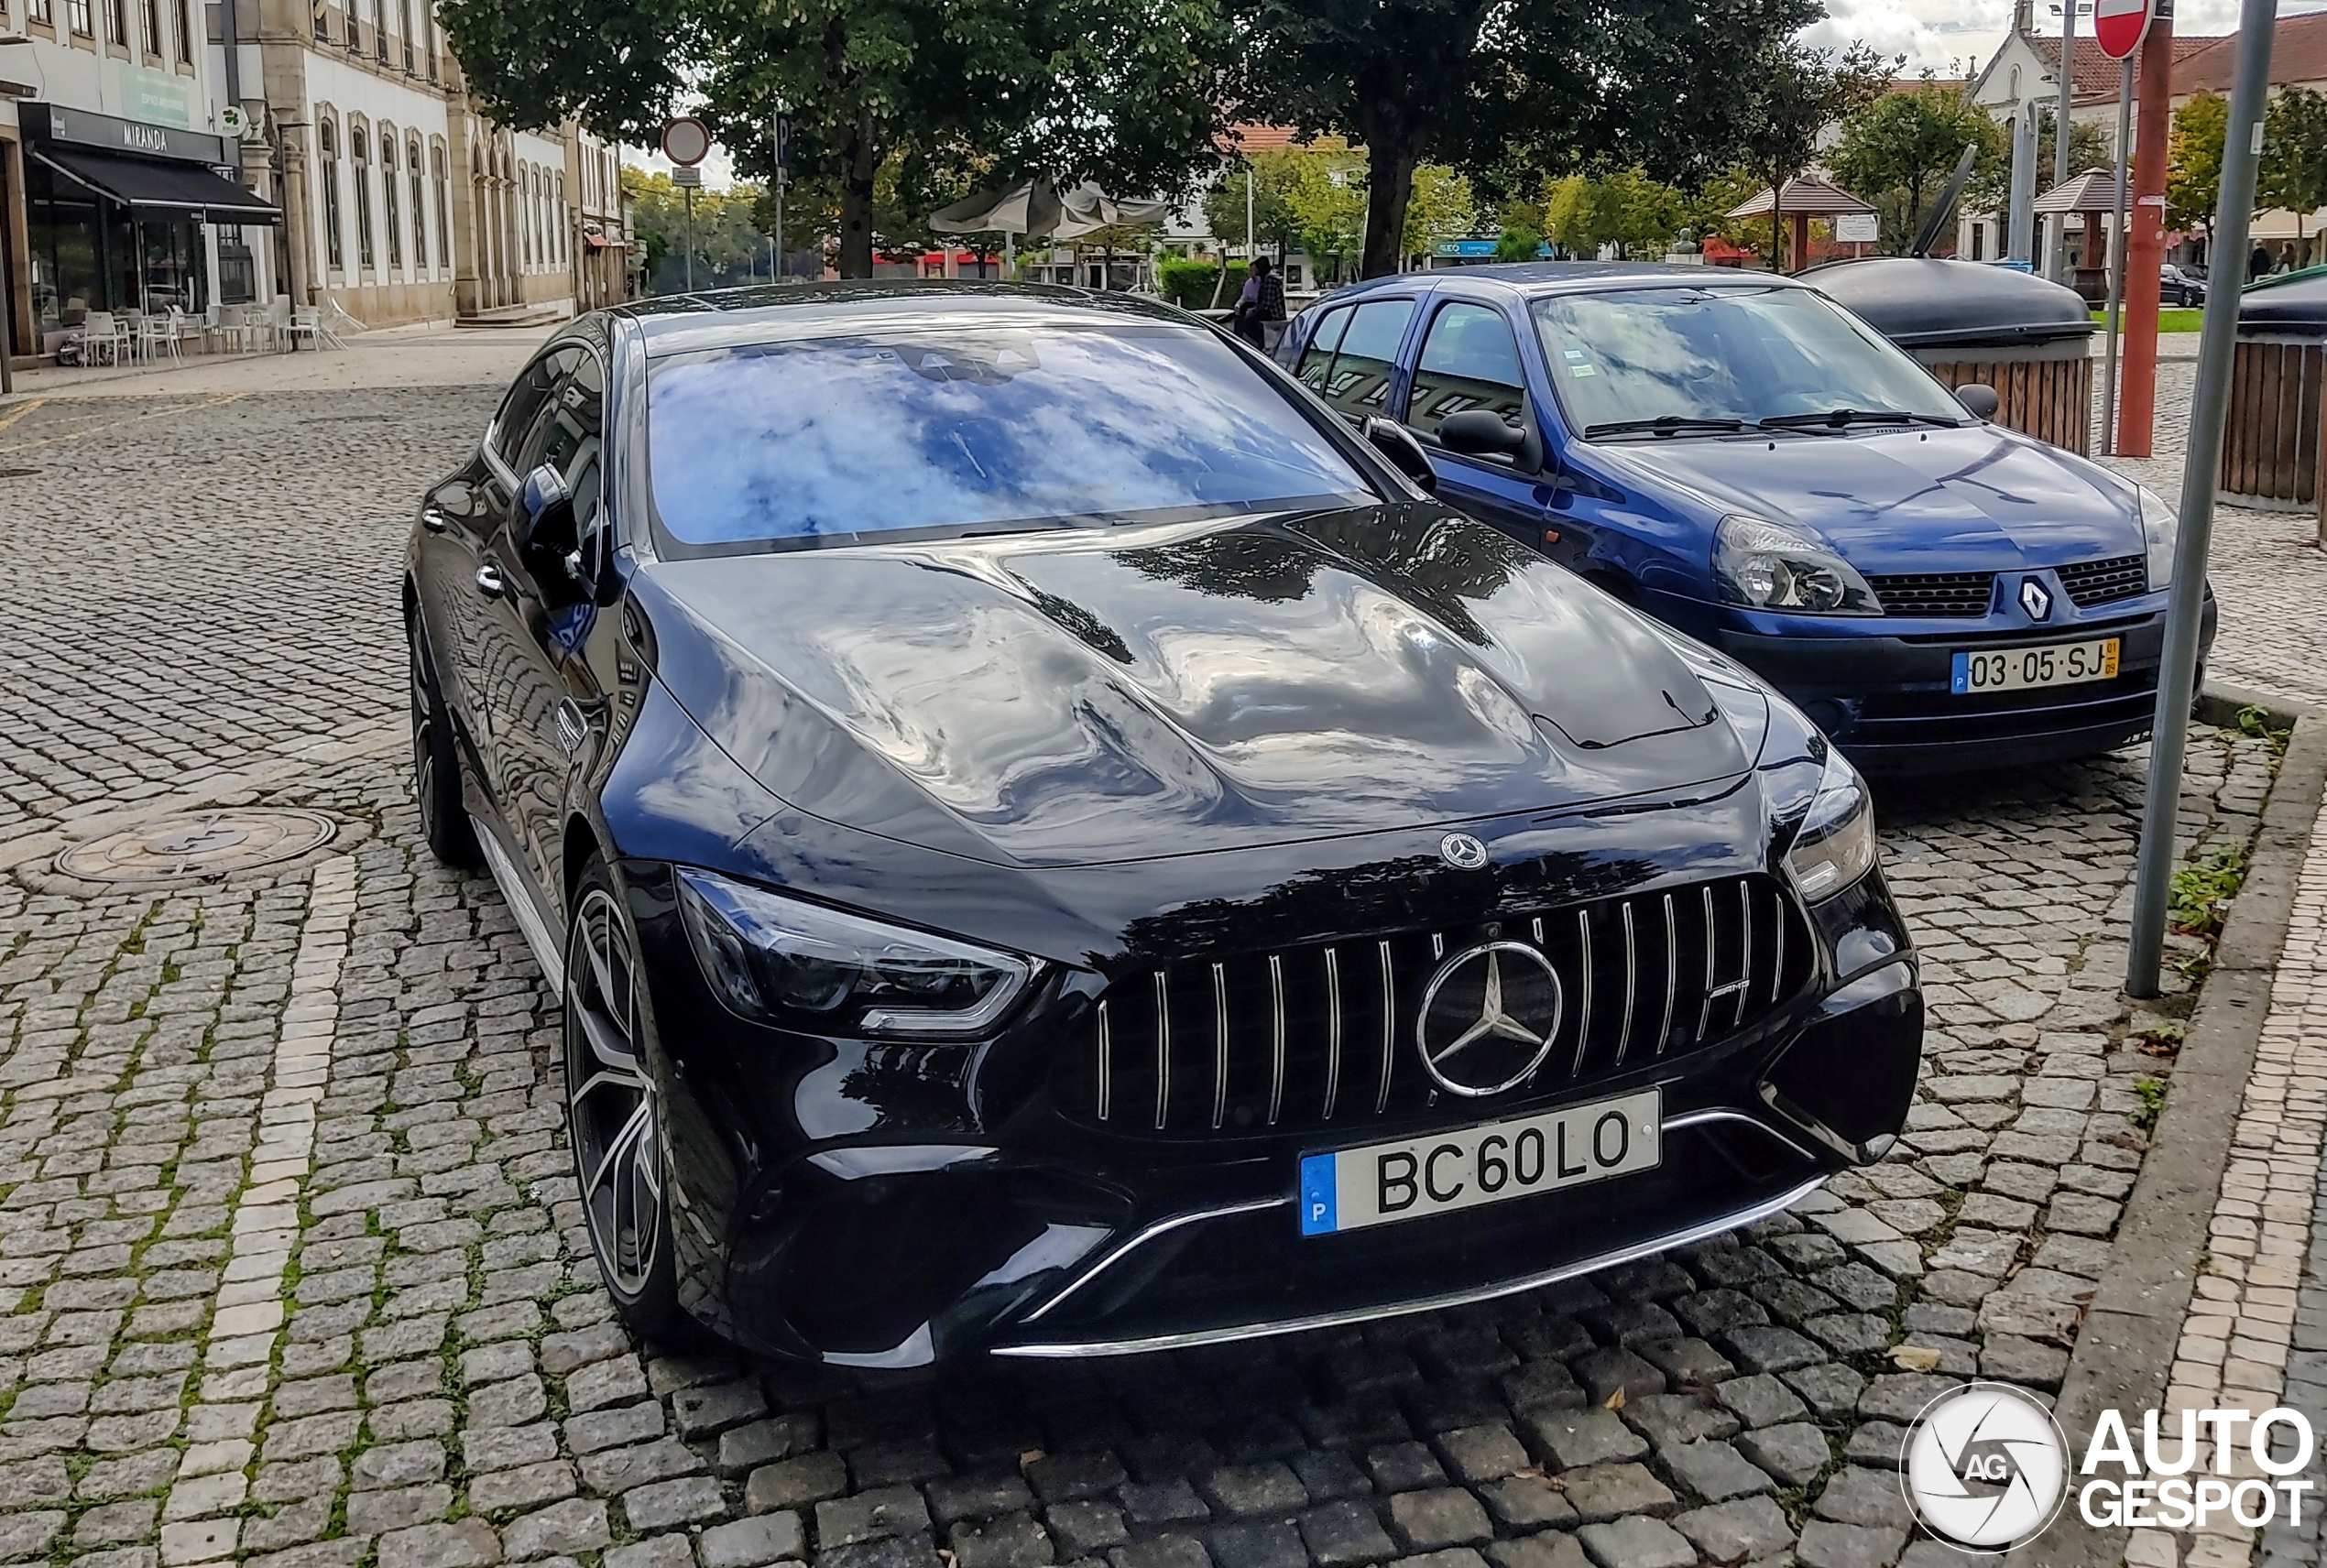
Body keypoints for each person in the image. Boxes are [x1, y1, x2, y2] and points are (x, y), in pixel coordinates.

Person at [1234, 255, 1286, 349]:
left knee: (1249, 322)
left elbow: (1268, 303)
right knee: (1243, 317)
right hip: (1268, 310)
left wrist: (1253, 311)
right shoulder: (1265, 278)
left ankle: (1260, 342)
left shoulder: (1270, 279)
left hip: (1274, 313)